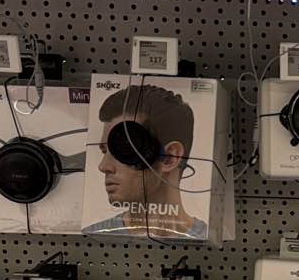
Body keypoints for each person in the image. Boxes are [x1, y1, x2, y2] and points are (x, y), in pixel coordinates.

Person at [86, 81, 208, 239]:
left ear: (169, 158)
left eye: (123, 149)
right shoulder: (93, 238)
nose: (103, 166)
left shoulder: (209, 238)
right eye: (104, 151)